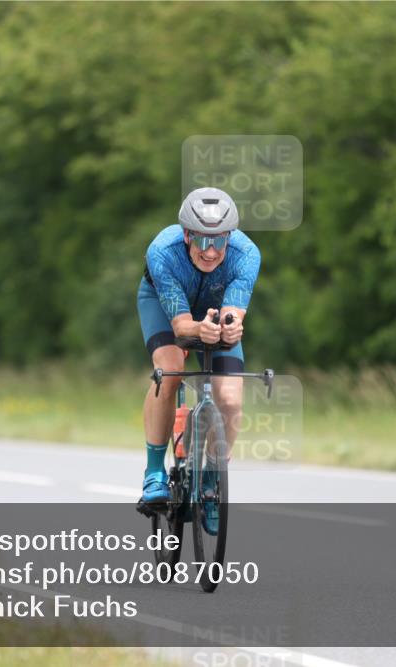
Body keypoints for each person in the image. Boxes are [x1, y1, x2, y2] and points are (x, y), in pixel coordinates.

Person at [137, 187, 261, 532]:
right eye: (202, 240)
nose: (210, 251)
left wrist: (230, 329)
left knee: (231, 401)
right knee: (171, 371)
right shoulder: (162, 251)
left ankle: (210, 476)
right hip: (163, 307)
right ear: (187, 234)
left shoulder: (246, 255)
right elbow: (180, 325)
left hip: (213, 310)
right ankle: (154, 472)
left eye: (219, 241)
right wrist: (198, 329)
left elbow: (233, 315)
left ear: (229, 237)